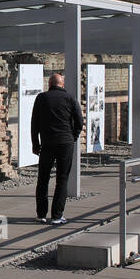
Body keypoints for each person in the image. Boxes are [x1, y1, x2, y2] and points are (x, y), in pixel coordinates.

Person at [29, 73, 85, 224]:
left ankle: (41, 214)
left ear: (49, 84)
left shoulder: (41, 98)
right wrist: (74, 135)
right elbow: (79, 120)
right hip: (65, 142)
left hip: (47, 143)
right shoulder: (70, 98)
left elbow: (34, 122)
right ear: (62, 84)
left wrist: (35, 144)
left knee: (43, 179)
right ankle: (57, 216)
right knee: (62, 179)